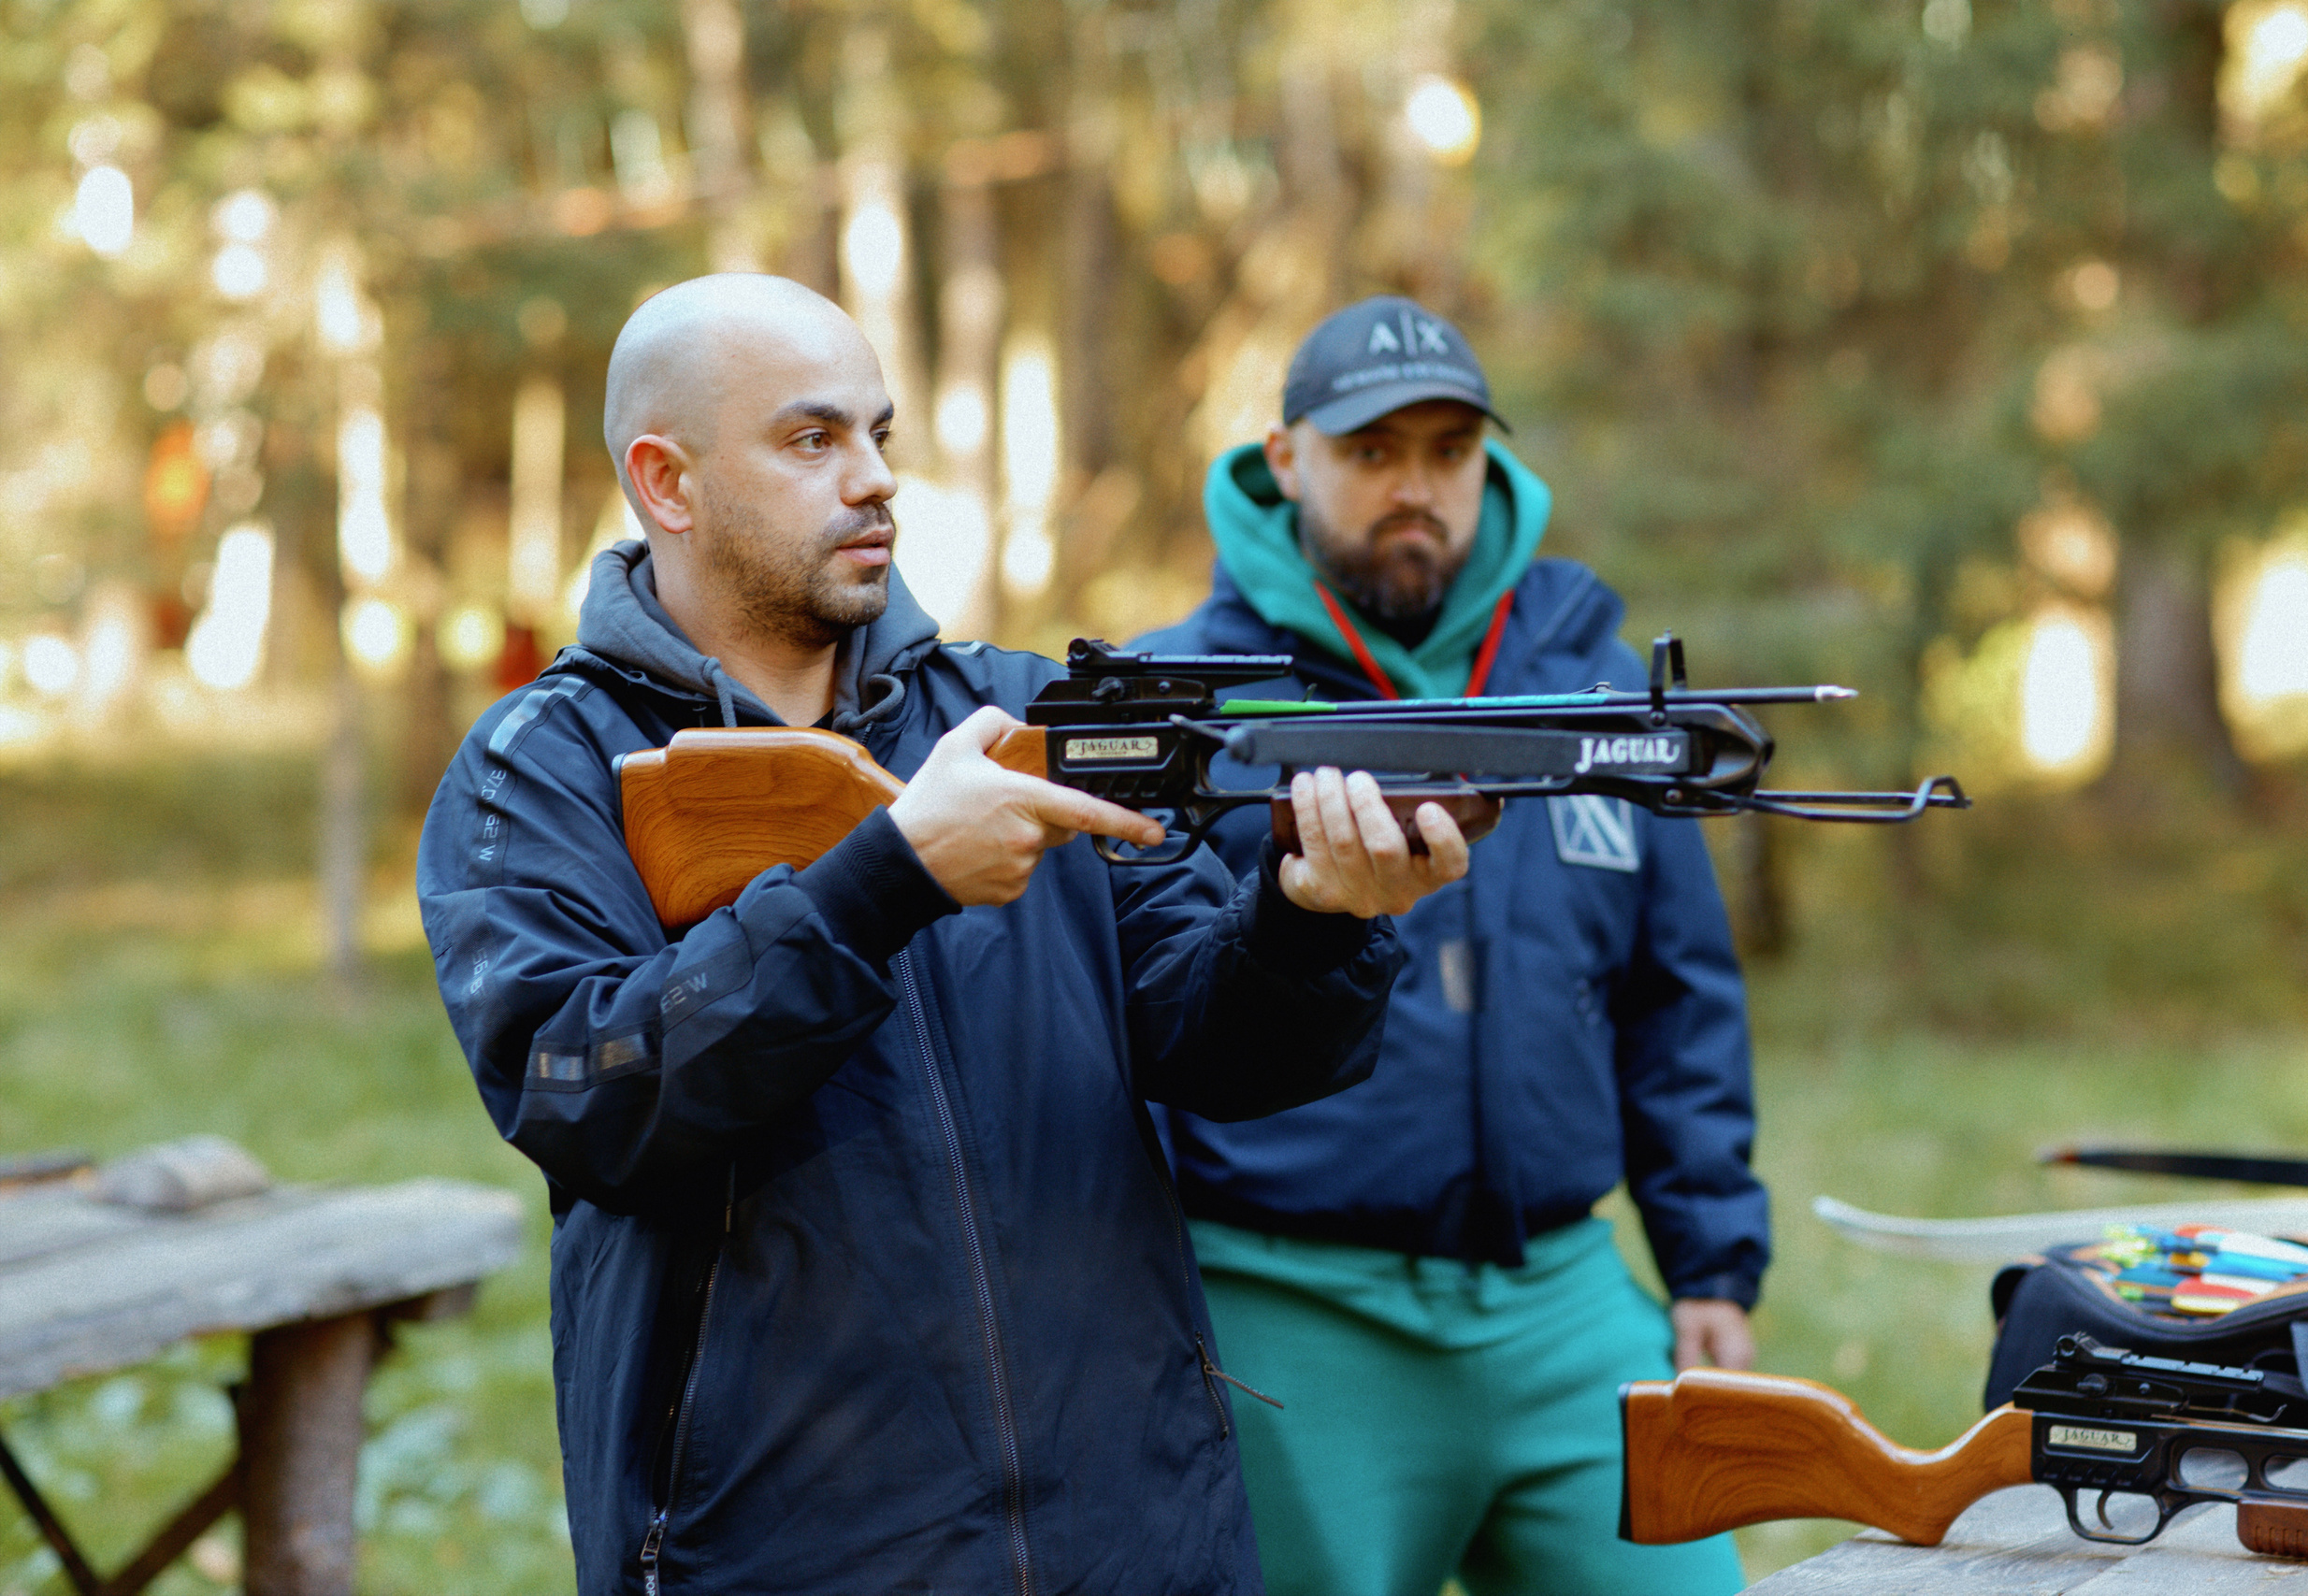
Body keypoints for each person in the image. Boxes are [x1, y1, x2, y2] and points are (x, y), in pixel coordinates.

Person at [415, 274, 1471, 1596]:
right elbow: (581, 1093)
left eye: (878, 434)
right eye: (812, 440)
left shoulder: (1021, 713)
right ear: (665, 483)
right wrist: (886, 881)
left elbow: (1218, 1049)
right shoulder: (541, 764)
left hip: (1134, 1532)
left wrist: (1310, 921)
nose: (874, 480)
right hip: (780, 1555)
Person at [1134, 295, 1767, 1596]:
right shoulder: (1175, 707)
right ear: (1285, 458)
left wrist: (1709, 1261)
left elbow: (1677, 994)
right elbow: (1142, 1015)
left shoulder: (1594, 692)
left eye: (1449, 450)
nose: (1414, 488)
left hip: (1563, 1295)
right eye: (1371, 452)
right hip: (1286, 1300)